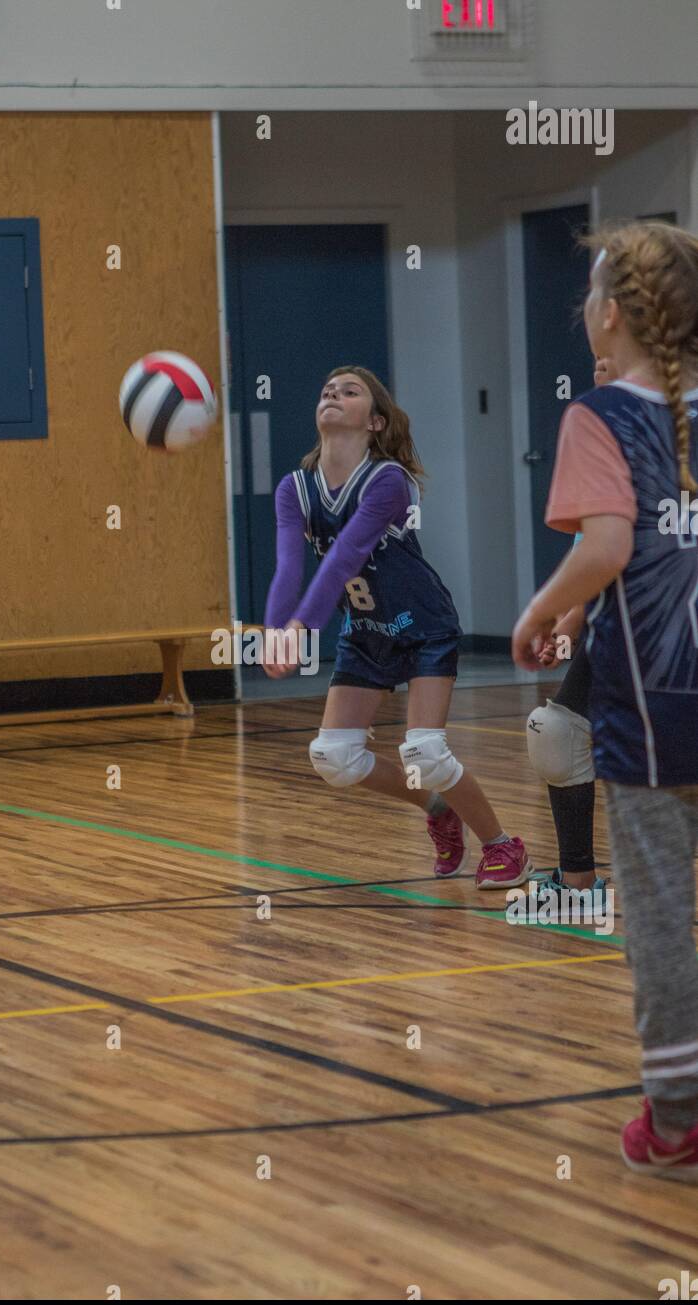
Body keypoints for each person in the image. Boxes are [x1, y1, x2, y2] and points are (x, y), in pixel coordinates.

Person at [513, 222, 698, 1177]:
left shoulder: (601, 415)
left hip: (659, 705)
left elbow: (613, 547)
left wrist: (545, 608)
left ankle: (676, 1122)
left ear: (611, 312)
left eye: (588, 292)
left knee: (663, 910)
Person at [265, 365, 532, 889]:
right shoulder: (295, 488)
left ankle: (504, 846)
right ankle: (438, 808)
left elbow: (344, 557)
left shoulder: (388, 480)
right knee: (334, 758)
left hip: (422, 626)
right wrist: (277, 628)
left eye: (349, 391)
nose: (333, 395)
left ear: (376, 421)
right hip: (366, 634)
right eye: (326, 390)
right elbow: (288, 567)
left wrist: (304, 625)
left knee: (425, 751)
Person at [525, 358, 614, 908]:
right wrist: (562, 620)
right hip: (622, 619)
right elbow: (595, 549)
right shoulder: (598, 427)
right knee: (557, 733)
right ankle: (578, 883)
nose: (602, 362)